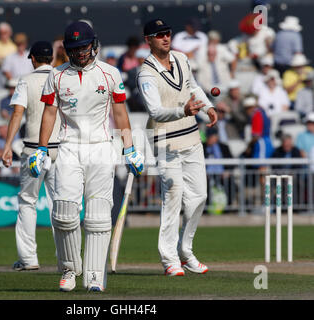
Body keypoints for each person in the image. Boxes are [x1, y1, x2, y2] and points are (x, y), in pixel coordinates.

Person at [33, 21, 144, 292]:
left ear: (93, 45)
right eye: (75, 49)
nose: (81, 53)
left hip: (100, 146)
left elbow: (120, 113)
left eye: (84, 47)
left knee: (97, 216)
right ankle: (70, 270)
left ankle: (95, 275)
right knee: (64, 213)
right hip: (69, 146)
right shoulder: (56, 76)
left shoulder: (110, 73)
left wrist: (129, 148)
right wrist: (41, 148)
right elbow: (49, 113)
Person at [137, 19, 217, 277]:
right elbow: (155, 111)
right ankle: (169, 258)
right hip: (165, 140)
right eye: (159, 35)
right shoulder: (146, 73)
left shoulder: (182, 59)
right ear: (148, 39)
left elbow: (193, 87)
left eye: (168, 33)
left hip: (191, 136)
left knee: (199, 196)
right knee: (172, 198)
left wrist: (207, 107)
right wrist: (182, 110)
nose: (165, 38)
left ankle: (186, 251)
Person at [1, 41, 59, 271]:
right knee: (61, 204)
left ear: (33, 59)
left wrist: (7, 145)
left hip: (34, 149)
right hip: (59, 148)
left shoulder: (26, 80)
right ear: (51, 59)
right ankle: (67, 259)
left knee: (27, 202)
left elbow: (17, 113)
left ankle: (28, 259)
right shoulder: (62, 77)